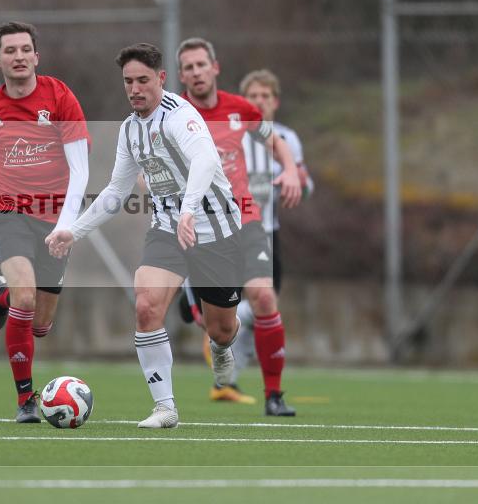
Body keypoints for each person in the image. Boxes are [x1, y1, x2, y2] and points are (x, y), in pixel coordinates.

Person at [47, 43, 299, 429]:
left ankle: (220, 346)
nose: (135, 89)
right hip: (167, 229)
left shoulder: (181, 116)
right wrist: (72, 231)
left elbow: (205, 159)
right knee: (146, 304)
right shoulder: (130, 129)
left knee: (223, 328)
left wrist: (189, 208)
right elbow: (116, 192)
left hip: (216, 229)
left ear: (161, 80)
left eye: (143, 80)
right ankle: (165, 408)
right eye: (128, 81)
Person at [0, 21, 90, 423]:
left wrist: (67, 225)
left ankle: (3, 297)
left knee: (40, 324)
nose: (19, 56)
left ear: (36, 57)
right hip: (8, 212)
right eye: (10, 51)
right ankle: (25, 399)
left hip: (56, 220)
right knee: (26, 298)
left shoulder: (60, 97)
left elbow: (80, 171)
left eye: (25, 49)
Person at [176, 39, 302, 416]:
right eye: (189, 67)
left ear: (215, 67)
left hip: (246, 220)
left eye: (202, 64)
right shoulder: (173, 114)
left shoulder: (239, 108)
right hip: (201, 228)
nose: (196, 72)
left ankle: (274, 395)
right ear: (181, 76)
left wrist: (292, 169)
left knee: (264, 298)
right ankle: (197, 309)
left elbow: (274, 140)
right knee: (221, 331)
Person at [232, 68, 314, 405]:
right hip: (229, 236)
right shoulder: (231, 136)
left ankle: (231, 378)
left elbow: (305, 184)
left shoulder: (287, 139)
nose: (260, 102)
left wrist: (298, 185)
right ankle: (248, 387)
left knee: (260, 308)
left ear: (275, 102)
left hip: (268, 233)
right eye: (253, 96)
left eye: (266, 96)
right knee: (256, 306)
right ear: (242, 101)